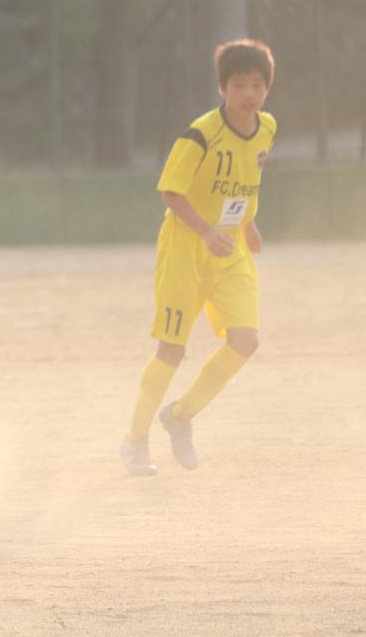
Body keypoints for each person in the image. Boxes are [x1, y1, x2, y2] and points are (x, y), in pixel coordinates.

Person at [119, 39, 277, 475]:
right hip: (187, 249)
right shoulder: (200, 134)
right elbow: (171, 193)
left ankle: (179, 416)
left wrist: (248, 224)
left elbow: (246, 180)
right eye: (239, 85)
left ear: (267, 88)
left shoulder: (267, 128)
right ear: (222, 88)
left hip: (230, 249)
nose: (249, 94)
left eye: (257, 84)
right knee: (172, 349)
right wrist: (206, 232)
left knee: (245, 341)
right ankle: (135, 440)